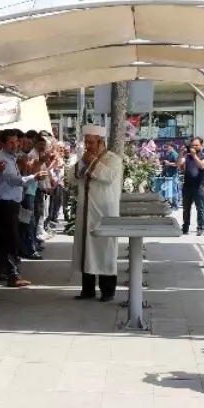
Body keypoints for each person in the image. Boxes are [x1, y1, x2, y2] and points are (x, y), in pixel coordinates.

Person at [68, 125, 123, 302]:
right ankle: (88, 290)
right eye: (86, 142)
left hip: (105, 212)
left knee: (104, 250)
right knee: (87, 249)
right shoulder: (84, 158)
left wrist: (92, 162)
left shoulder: (113, 159)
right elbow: (72, 177)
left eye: (91, 142)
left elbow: (108, 176)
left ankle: (108, 291)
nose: (88, 145)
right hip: (86, 212)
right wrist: (84, 162)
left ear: (101, 143)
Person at [0, 129, 30, 288]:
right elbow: (13, 180)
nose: (15, 145)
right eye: (11, 142)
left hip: (11, 203)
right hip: (5, 204)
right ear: (3, 143)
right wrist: (33, 177)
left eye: (16, 141)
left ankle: (5, 271)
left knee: (9, 239)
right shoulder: (2, 159)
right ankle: (12, 274)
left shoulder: (11, 158)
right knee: (10, 239)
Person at [179, 136, 204, 234]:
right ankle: (185, 228)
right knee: (186, 208)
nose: (194, 147)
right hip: (187, 186)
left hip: (199, 186)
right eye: (192, 145)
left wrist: (194, 156)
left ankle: (200, 228)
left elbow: (202, 165)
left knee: (200, 208)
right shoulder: (187, 156)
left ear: (201, 146)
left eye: (196, 145)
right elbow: (179, 163)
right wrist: (181, 153)